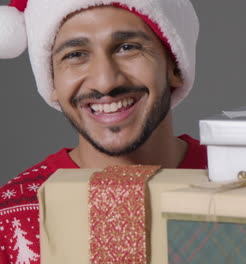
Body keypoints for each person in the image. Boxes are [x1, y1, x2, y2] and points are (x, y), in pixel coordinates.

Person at [0, 0, 204, 262]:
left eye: (127, 48)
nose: (105, 81)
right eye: (75, 55)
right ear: (52, 80)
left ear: (174, 65)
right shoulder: (10, 220)